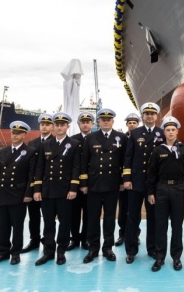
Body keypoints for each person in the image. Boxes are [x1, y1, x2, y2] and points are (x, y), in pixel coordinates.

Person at [32, 112, 81, 266]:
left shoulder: (73, 144)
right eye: (57, 124)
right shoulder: (45, 145)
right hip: (47, 190)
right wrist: (37, 189)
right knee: (48, 222)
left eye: (62, 125)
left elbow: (76, 167)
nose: (59, 127)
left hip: (64, 190)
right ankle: (48, 251)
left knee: (65, 222)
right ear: (54, 126)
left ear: (67, 126)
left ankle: (61, 250)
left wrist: (73, 188)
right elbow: (40, 167)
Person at [0, 121, 38, 266]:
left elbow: (31, 176)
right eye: (13, 133)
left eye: (18, 133)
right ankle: (2, 252)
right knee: (2, 225)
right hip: (2, 194)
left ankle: (15, 253)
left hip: (19, 195)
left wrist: (28, 193)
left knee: (17, 226)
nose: (14, 136)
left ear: (24, 135)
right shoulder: (2, 152)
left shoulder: (30, 152)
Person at [147, 116, 184, 272]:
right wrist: (150, 192)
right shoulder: (157, 150)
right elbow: (151, 173)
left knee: (177, 225)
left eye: (173, 129)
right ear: (164, 132)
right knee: (160, 225)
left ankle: (176, 257)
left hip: (178, 190)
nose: (170, 132)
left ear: (177, 131)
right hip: (161, 190)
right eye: (167, 130)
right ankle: (160, 257)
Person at [81, 108, 127, 264]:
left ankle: (108, 248)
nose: (106, 121)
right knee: (93, 218)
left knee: (109, 218)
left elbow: (124, 162)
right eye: (103, 119)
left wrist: (122, 181)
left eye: (108, 119)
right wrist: (84, 183)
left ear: (113, 121)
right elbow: (84, 162)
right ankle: (93, 248)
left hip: (112, 185)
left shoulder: (121, 137)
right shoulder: (91, 138)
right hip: (94, 184)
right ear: (99, 121)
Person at [123, 102, 164, 264]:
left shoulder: (162, 133)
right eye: (146, 113)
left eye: (152, 114)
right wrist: (127, 179)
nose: (149, 116)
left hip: (154, 184)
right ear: (143, 116)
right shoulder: (134, 134)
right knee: (133, 217)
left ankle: (152, 248)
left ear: (156, 116)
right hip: (136, 182)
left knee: (153, 217)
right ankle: (131, 250)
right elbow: (128, 157)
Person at [22, 113, 55, 254]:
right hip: (34, 184)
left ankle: (48, 242)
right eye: (42, 124)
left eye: (47, 124)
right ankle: (34, 240)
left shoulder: (57, 142)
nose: (45, 126)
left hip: (49, 186)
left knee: (49, 217)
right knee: (33, 216)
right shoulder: (32, 143)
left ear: (52, 126)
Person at [67, 111, 95, 251]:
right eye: (82, 122)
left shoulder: (96, 138)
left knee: (88, 213)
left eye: (88, 122)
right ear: (78, 124)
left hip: (91, 183)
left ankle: (86, 239)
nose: (85, 124)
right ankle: (74, 239)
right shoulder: (72, 140)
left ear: (92, 124)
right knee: (74, 213)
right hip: (74, 182)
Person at [116, 112, 141, 247]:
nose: (132, 125)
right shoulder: (121, 139)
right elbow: (121, 160)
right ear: (126, 124)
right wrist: (122, 180)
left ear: (138, 124)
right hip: (124, 180)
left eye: (134, 123)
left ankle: (135, 234)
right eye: (130, 123)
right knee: (123, 207)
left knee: (134, 210)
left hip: (136, 180)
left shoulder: (140, 137)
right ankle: (122, 234)